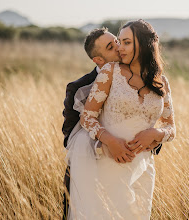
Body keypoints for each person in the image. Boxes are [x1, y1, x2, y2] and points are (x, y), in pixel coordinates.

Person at [66, 19, 175, 219]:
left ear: (143, 44)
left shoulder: (162, 81)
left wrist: (155, 133)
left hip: (143, 167)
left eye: (125, 42)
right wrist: (110, 140)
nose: (120, 47)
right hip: (110, 161)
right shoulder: (110, 72)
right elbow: (87, 117)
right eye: (119, 42)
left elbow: (171, 128)